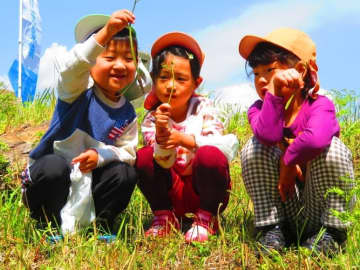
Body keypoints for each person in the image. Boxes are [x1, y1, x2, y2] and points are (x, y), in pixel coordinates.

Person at [21, 10, 151, 237]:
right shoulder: (75, 92)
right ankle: (47, 222)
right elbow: (73, 67)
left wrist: (101, 156)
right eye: (109, 58)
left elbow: (128, 152)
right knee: (53, 168)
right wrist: (107, 32)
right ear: (91, 63)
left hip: (89, 186)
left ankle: (102, 222)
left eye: (128, 59)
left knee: (125, 173)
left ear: (137, 63)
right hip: (54, 180)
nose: (120, 66)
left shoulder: (128, 113)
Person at [238, 28, 355, 255]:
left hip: (316, 209)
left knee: (334, 149)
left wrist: (288, 162)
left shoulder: (319, 106)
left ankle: (332, 233)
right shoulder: (258, 109)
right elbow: (267, 136)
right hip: (285, 207)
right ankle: (272, 230)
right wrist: (273, 93)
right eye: (256, 73)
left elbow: (314, 140)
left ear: (300, 71)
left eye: (270, 70)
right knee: (253, 148)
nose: (262, 80)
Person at [136, 32, 239, 243]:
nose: (171, 86)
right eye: (164, 78)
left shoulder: (205, 108)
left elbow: (219, 149)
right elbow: (161, 160)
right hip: (174, 188)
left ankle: (206, 217)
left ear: (196, 83)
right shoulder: (152, 118)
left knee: (210, 155)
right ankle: (165, 216)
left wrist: (183, 139)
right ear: (154, 81)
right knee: (145, 156)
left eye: (181, 79)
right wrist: (162, 135)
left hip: (203, 190)